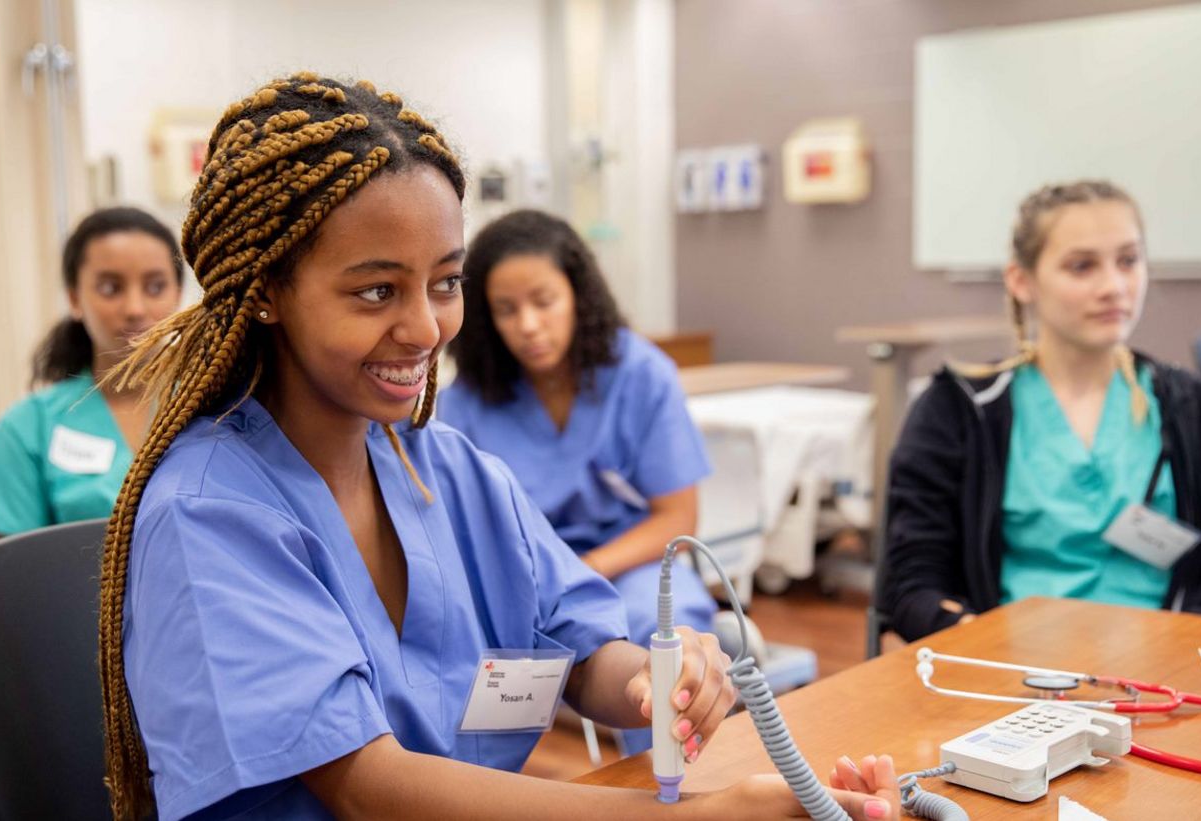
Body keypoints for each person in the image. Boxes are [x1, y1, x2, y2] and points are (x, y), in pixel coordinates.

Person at [96, 74, 899, 821]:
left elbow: (580, 651)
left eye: (445, 283)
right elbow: (368, 787)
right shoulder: (210, 512)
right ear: (266, 290)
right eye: (377, 290)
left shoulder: (449, 471)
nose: (424, 328)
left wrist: (660, 682)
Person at [881, 180, 1201, 642]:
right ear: (1022, 281)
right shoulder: (959, 411)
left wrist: (1176, 658)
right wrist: (978, 645)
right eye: (1081, 267)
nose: (1114, 286)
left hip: (1169, 684)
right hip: (1013, 678)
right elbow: (912, 585)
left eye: (1129, 261)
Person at [439, 210, 717, 753]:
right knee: (453, 659)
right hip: (514, 577)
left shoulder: (639, 374)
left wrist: (580, 575)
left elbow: (677, 517)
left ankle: (667, 790)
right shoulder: (467, 399)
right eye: (506, 309)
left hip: (624, 564)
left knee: (664, 633)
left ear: (578, 294)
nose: (528, 325)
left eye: (544, 301)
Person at [0, 207, 182, 541]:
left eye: (155, 287)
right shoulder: (27, 429)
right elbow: (7, 573)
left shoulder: (221, 409)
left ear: (178, 296)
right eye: (110, 288)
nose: (135, 308)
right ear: (76, 298)